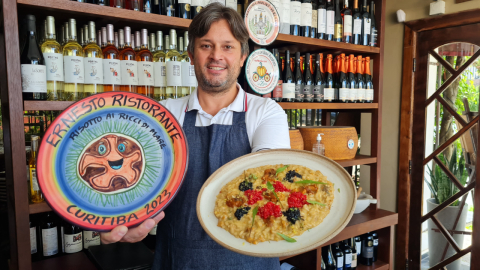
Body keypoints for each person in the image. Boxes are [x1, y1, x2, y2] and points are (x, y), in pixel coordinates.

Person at [101, 3, 290, 269]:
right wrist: (118, 218)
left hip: (252, 258)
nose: (216, 56)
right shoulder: (164, 112)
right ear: (191, 54)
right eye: (206, 45)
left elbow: (267, 178)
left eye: (228, 46)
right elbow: (138, 180)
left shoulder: (265, 112)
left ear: (243, 55)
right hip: (179, 259)